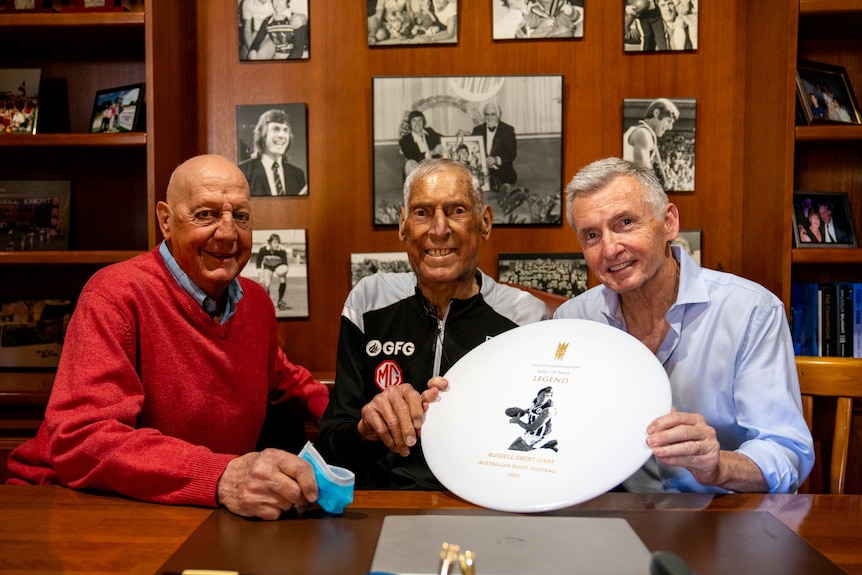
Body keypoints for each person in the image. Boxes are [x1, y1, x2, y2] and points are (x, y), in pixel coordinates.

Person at [6, 154, 330, 520]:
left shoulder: (255, 302)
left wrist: (348, 414)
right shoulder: (115, 294)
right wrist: (221, 476)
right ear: (166, 220)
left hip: (186, 509)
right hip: (70, 504)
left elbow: (280, 375)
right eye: (206, 214)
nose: (226, 233)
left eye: (239, 216)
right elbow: (83, 439)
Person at [554, 157, 814, 493]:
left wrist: (718, 465)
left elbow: (787, 451)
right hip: (617, 519)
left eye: (626, 222)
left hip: (724, 518)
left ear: (669, 222)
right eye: (591, 235)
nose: (610, 248)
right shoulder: (572, 322)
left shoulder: (750, 311)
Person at [317, 158, 547, 489]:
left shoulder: (525, 317)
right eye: (422, 213)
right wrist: (367, 430)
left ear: (484, 222)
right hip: (382, 501)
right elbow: (333, 442)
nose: (439, 230)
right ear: (402, 224)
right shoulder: (368, 300)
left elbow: (533, 442)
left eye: (457, 211)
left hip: (482, 501)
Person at [239, 108, 308, 197]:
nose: (282, 136)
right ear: (262, 134)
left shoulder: (298, 174)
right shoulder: (243, 171)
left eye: (286, 130)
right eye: (276, 129)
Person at [623, 98, 679, 189]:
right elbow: (643, 179)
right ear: (656, 113)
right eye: (669, 121)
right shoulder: (643, 134)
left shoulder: (643, 132)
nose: (670, 127)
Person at [471, 102, 518, 190]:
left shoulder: (508, 130)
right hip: (483, 173)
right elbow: (473, 150)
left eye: (493, 114)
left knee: (504, 185)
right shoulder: (477, 130)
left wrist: (496, 159)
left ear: (498, 115)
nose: (489, 117)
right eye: (487, 114)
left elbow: (511, 152)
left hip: (503, 172)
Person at [398, 110, 445, 178]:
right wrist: (431, 152)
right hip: (417, 170)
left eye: (420, 120)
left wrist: (457, 136)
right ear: (410, 124)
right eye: (414, 120)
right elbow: (413, 157)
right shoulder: (405, 140)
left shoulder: (430, 132)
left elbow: (443, 139)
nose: (417, 123)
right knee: (410, 163)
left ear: (423, 122)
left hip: (434, 168)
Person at [256, 233, 291, 310]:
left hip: (278, 265)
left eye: (278, 242)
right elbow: (258, 261)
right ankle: (267, 302)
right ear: (270, 243)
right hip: (268, 266)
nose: (277, 244)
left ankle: (280, 300)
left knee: (283, 278)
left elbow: (285, 263)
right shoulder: (263, 249)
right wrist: (260, 273)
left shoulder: (281, 250)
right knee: (267, 284)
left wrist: (283, 271)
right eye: (275, 242)